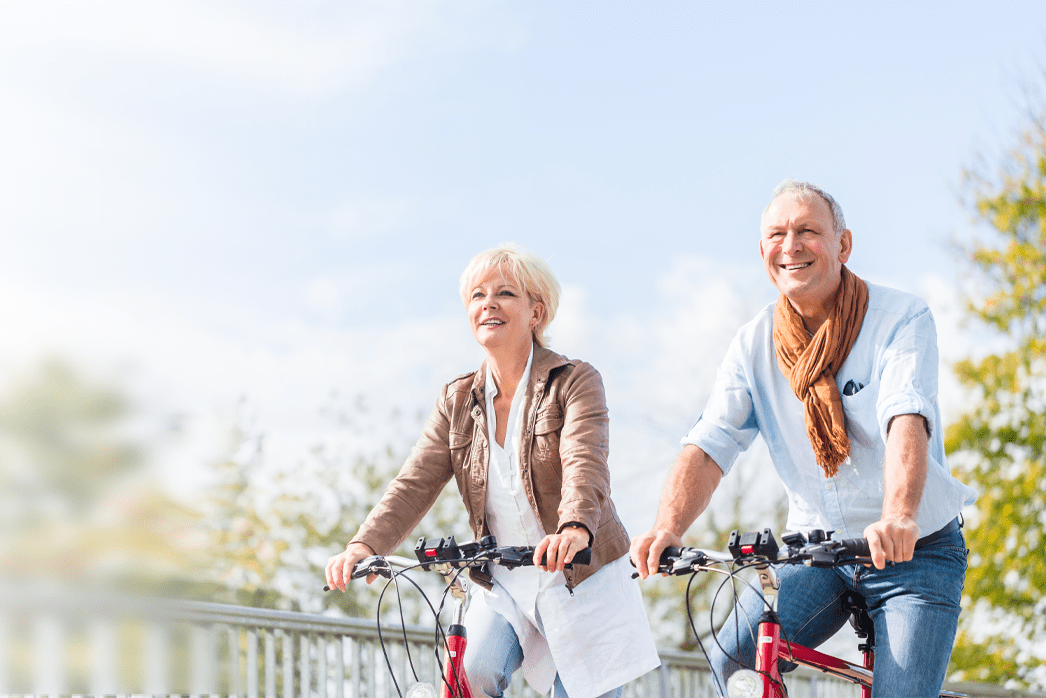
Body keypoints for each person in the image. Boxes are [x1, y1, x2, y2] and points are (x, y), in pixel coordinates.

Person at [628, 180, 978, 696]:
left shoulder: (900, 319)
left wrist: (899, 515)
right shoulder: (753, 344)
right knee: (734, 661)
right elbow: (711, 441)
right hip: (818, 551)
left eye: (807, 231)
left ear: (844, 245)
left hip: (914, 552)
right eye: (776, 234)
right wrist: (667, 527)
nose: (790, 246)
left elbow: (905, 416)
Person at [324, 245, 659, 698]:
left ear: (536, 311)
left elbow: (586, 460)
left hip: (580, 574)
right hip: (504, 578)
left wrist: (576, 526)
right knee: (471, 674)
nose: (488, 304)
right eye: (477, 295)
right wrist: (365, 544)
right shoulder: (457, 400)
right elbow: (415, 481)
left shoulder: (574, 381)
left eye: (505, 293)